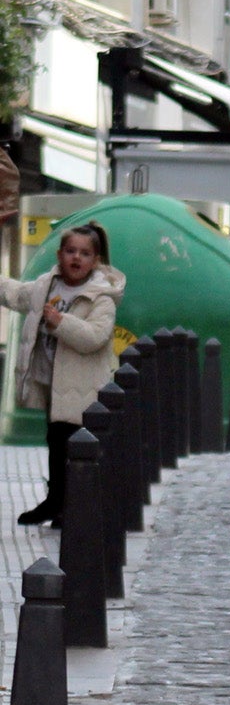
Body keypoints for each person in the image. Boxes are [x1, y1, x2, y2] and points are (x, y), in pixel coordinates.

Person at [0, 222, 126, 527]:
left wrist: (61, 322)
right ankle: (56, 503)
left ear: (95, 261)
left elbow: (95, 337)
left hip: (84, 387)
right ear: (59, 254)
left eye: (84, 253)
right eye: (70, 251)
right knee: (56, 445)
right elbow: (18, 296)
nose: (76, 258)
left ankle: (74, 506)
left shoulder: (101, 296)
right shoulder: (47, 285)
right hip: (52, 382)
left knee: (77, 449)